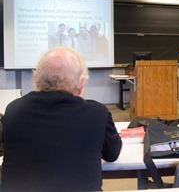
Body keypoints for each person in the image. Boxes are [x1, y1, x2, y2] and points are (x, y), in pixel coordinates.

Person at [1, 47, 122, 191]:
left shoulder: (14, 110)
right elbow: (112, 154)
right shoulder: (97, 113)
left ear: (35, 78)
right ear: (82, 82)